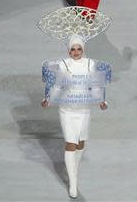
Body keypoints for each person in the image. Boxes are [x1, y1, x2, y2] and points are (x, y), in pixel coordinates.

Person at [41, 34, 108, 198]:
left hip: (84, 109)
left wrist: (102, 101)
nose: (76, 52)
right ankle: (73, 181)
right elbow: (57, 85)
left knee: (80, 143)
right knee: (70, 142)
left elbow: (95, 84)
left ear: (83, 50)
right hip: (67, 109)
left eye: (79, 49)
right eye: (73, 49)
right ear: (68, 50)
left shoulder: (90, 64)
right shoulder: (64, 65)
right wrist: (48, 99)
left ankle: (74, 169)